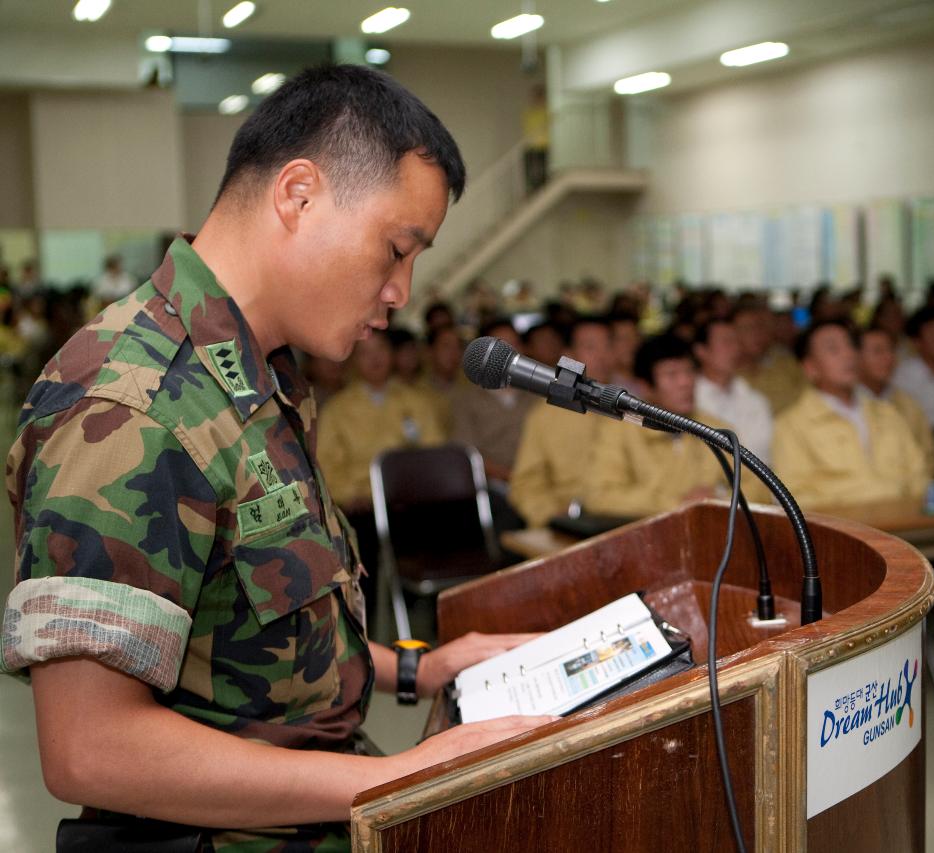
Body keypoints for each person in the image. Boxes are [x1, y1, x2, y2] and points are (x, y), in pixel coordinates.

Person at [0, 65, 549, 849]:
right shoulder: (131, 405)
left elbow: (257, 624)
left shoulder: (257, 373)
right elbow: (92, 749)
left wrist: (417, 668)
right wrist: (408, 777)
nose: (402, 290)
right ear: (298, 194)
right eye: (397, 248)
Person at [582, 334, 765, 517]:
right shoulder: (619, 431)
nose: (685, 382)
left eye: (689, 372)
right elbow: (600, 496)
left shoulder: (715, 428)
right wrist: (677, 504)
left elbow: (757, 486)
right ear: (645, 386)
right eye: (672, 375)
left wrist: (718, 499)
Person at [317, 327, 446, 579]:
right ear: (353, 360)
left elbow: (436, 454)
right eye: (365, 353)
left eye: (381, 350)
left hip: (413, 501)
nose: (375, 358)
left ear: (392, 354)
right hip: (362, 505)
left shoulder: (418, 401)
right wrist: (350, 494)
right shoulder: (337, 409)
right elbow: (326, 466)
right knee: (361, 538)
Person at [773, 321, 928, 508]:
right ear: (810, 368)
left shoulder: (886, 413)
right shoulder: (791, 425)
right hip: (839, 532)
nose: (848, 354)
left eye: (851, 346)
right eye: (833, 349)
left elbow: (920, 475)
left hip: (905, 525)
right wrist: (865, 499)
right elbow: (793, 497)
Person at [508, 317, 616, 527]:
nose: (602, 356)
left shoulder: (633, 407)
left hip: (627, 515)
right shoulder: (545, 416)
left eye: (608, 346)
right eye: (590, 347)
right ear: (570, 357)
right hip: (570, 522)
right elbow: (526, 485)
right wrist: (553, 515)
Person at [449, 318, 536, 483]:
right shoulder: (466, 400)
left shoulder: (538, 394)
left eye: (515, 344)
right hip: (492, 485)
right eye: (501, 348)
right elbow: (468, 454)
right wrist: (512, 478)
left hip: (540, 481)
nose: (510, 354)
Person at [856, 326, 934, 478]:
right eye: (878, 351)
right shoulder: (847, 404)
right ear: (856, 357)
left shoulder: (909, 403)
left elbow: (929, 456)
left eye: (891, 350)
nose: (888, 358)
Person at [693, 317, 774, 461]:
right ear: (701, 351)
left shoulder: (756, 399)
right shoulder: (689, 399)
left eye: (736, 342)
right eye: (726, 342)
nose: (735, 349)